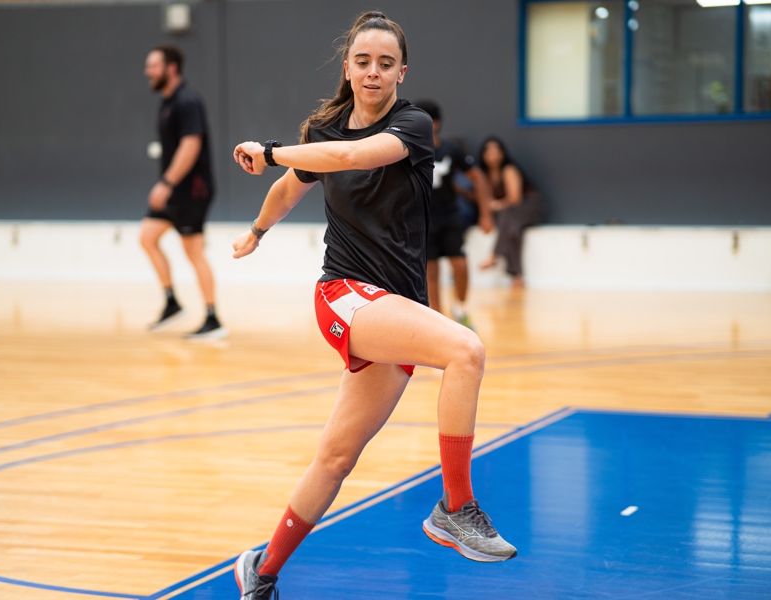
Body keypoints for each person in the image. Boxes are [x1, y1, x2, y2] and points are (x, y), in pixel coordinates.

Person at [230, 11, 516, 599]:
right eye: (363, 61)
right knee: (465, 350)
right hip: (346, 295)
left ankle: (261, 572)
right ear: (348, 67)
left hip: (394, 305)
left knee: (335, 459)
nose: (374, 72)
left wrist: (274, 149)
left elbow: (348, 159)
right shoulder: (325, 129)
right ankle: (455, 507)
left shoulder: (412, 126)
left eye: (386, 64)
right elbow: (289, 188)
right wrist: (257, 231)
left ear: (401, 72)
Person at [140, 44, 227, 340]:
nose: (147, 72)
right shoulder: (168, 101)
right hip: (175, 190)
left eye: (153, 66)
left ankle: (213, 318)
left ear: (171, 68)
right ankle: (172, 302)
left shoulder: (187, 101)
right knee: (147, 237)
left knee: (193, 250)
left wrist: (166, 183)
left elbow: (191, 146)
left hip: (192, 190)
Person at [413, 100, 492, 330]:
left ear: (435, 123)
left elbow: (478, 178)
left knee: (460, 266)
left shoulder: (451, 150)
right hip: (424, 220)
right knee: (431, 272)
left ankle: (460, 308)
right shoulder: (413, 151)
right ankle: (437, 319)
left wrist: (485, 214)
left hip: (450, 217)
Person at [477, 136, 545, 288]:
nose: (492, 155)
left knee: (506, 215)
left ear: (502, 153)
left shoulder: (509, 170)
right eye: (488, 152)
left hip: (529, 206)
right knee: (513, 230)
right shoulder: (483, 175)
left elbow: (515, 198)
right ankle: (517, 275)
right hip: (510, 214)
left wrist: (497, 204)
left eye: (496, 151)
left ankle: (494, 255)